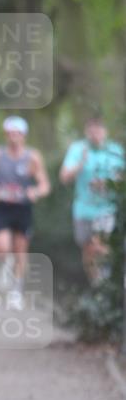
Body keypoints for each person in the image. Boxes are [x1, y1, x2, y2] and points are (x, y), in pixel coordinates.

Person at [0, 116, 50, 307]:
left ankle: (16, 292)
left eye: (18, 133)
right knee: (1, 247)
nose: (14, 137)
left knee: (20, 251)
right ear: (6, 135)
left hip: (23, 208)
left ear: (24, 135)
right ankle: (4, 263)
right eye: (10, 133)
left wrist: (36, 192)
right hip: (2, 207)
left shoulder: (32, 157)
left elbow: (44, 184)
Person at [60, 116, 124, 286]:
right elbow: (64, 177)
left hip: (105, 208)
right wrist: (80, 164)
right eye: (92, 130)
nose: (95, 134)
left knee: (100, 245)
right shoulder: (78, 149)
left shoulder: (115, 150)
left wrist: (109, 184)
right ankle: (96, 283)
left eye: (99, 130)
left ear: (105, 131)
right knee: (88, 249)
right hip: (83, 209)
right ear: (86, 132)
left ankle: (106, 280)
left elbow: (122, 177)